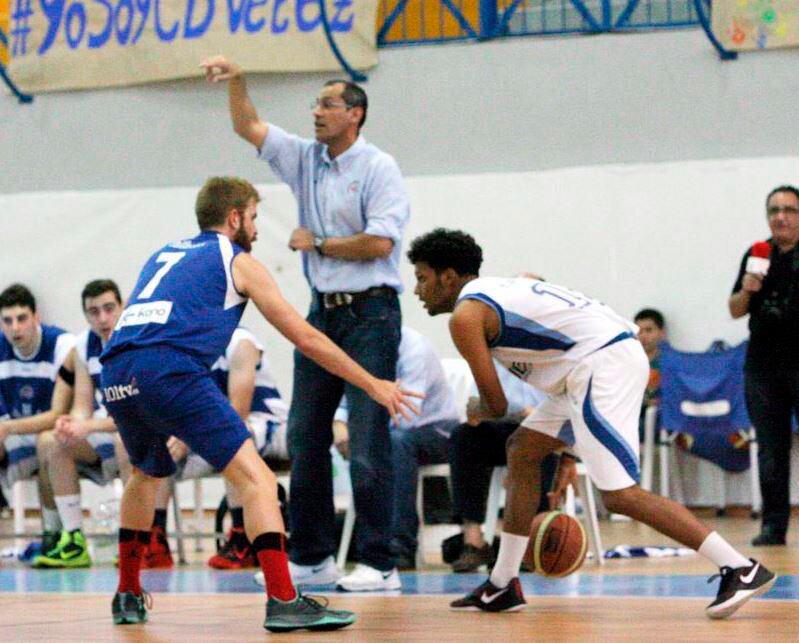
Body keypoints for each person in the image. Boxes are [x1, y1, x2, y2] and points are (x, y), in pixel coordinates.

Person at [100, 177, 419, 633]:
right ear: (234, 218)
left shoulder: (163, 255)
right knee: (259, 481)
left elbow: (135, 317)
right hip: (168, 367)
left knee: (145, 474)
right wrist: (372, 383)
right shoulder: (238, 260)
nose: (254, 227)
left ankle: (128, 593)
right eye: (252, 217)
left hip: (116, 369)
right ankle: (284, 599)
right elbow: (305, 336)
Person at [407, 228, 775, 620]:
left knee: (619, 495)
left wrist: (477, 406)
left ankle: (740, 567)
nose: (417, 291)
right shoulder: (500, 287)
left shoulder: (466, 316)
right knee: (522, 450)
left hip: (601, 365)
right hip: (589, 365)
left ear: (448, 277)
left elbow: (495, 405)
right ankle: (502, 584)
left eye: (421, 278)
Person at [201, 56, 411, 591]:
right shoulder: (305, 158)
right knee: (305, 435)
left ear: (354, 115)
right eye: (315, 104)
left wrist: (317, 241)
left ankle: (380, 562)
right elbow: (246, 125)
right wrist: (239, 80)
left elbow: (382, 242)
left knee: (366, 440)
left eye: (327, 104)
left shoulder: (378, 168)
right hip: (324, 309)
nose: (316, 112)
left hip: (371, 313)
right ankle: (314, 554)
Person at [332, 327, 459, 569]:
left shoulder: (415, 349)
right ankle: (354, 543)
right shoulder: (361, 348)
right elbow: (347, 400)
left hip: (437, 431)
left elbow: (407, 415)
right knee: (355, 442)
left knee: (397, 442)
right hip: (387, 431)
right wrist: (339, 426)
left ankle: (401, 546)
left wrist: (362, 435)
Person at [165, 326, 289, 570]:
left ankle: (242, 535)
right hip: (212, 430)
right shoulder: (183, 345)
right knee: (159, 447)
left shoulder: (240, 342)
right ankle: (154, 539)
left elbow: (237, 413)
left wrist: (187, 438)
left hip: (269, 424)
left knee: (232, 440)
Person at [33, 280, 125, 569]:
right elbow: (82, 407)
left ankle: (136, 540)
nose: (102, 318)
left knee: (126, 441)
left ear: (122, 308)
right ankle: (73, 539)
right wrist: (71, 423)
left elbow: (140, 415)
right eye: (93, 312)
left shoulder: (137, 340)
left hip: (141, 432)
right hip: (107, 430)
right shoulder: (85, 344)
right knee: (54, 441)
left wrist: (89, 427)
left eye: (109, 309)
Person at [729, 184, 799, 547]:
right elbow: (735, 309)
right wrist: (747, 288)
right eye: (774, 210)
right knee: (771, 448)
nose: (781, 217)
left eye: (788, 209)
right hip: (762, 366)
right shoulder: (757, 254)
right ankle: (773, 525)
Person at [448, 364, 555, 573]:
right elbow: (474, 413)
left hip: (546, 431)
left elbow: (567, 412)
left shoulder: (554, 358)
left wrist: (535, 415)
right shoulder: (494, 360)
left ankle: (530, 541)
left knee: (539, 438)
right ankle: (473, 540)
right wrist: (509, 412)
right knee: (463, 436)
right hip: (503, 428)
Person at [0, 283, 75, 554]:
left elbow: (58, 414)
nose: (15, 327)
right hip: (16, 441)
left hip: (61, 437)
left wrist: (8, 427)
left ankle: (54, 535)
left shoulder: (63, 345)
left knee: (48, 443)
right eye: (7, 321)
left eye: (21, 318)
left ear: (36, 318)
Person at [634, 308, 666, 410]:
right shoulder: (628, 363)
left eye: (649, 330)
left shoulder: (670, 363)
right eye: (639, 332)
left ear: (662, 333)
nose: (643, 336)